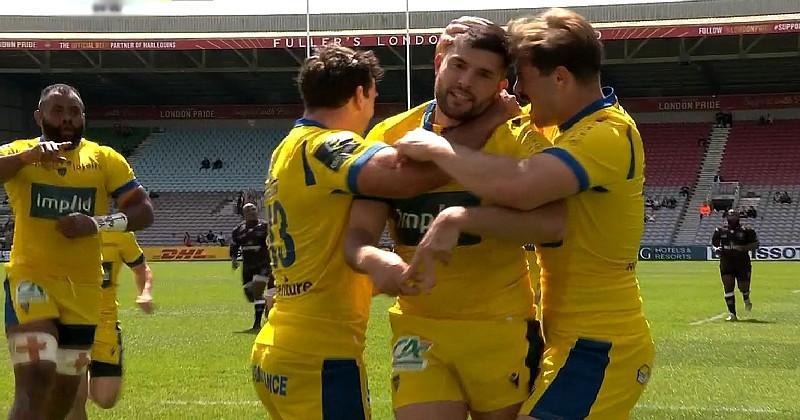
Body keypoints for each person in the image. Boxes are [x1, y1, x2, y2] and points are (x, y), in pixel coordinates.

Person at [394, 8, 654, 419]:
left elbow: (520, 187)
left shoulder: (605, 133)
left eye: (524, 77)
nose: (516, 89)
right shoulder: (568, 131)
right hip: (568, 338)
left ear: (561, 77)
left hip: (602, 343)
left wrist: (441, 150)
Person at [345, 20, 559, 420]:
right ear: (439, 61)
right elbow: (358, 234)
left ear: (501, 85)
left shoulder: (517, 137)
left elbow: (555, 223)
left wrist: (466, 219)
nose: (465, 81)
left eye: (483, 75)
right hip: (417, 330)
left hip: (501, 327)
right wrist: (377, 261)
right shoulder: (389, 135)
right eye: (458, 65)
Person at [250, 45, 472, 420]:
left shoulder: (285, 150)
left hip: (278, 346)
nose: (372, 108)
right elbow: (403, 178)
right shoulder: (323, 145)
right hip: (319, 356)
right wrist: (481, 130)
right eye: (373, 97)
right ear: (359, 94)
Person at [0, 83, 153, 420]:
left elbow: (143, 210)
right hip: (31, 280)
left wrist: (96, 223)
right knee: (37, 375)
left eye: (75, 111)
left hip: (84, 292)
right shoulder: (20, 152)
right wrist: (28, 158)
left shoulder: (103, 158)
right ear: (38, 116)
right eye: (57, 110)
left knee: (65, 396)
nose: (67, 118)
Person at [66, 231, 154, 420]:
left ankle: (85, 378)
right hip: (72, 322)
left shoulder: (121, 235)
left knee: (106, 399)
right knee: (74, 400)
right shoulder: (66, 229)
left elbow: (142, 269)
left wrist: (145, 292)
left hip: (106, 325)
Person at [230, 203, 273, 332]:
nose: (252, 211)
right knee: (250, 295)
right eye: (249, 210)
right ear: (244, 213)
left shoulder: (265, 227)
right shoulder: (238, 230)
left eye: (254, 209)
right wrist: (234, 259)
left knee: (257, 291)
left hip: (263, 264)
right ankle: (268, 302)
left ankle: (257, 324)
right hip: (248, 265)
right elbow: (235, 245)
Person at [711, 210, 759, 321]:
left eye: (734, 214)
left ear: (738, 216)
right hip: (726, 261)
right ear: (727, 216)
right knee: (728, 286)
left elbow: (756, 244)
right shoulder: (720, 230)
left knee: (743, 287)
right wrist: (716, 249)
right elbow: (714, 244)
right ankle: (732, 314)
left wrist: (743, 248)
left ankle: (746, 297)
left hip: (742, 262)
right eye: (730, 214)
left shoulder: (747, 230)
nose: (732, 216)